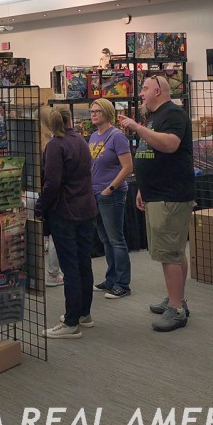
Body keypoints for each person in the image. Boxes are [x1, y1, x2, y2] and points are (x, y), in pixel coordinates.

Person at [117, 75, 195, 332]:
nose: (141, 93)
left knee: (169, 253)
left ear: (159, 91)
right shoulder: (156, 116)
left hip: (170, 195)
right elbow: (149, 152)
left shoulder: (174, 113)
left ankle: (176, 309)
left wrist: (137, 128)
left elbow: (170, 145)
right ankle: (176, 299)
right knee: (172, 251)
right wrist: (143, 188)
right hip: (157, 193)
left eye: (145, 88)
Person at [35, 107, 96, 338]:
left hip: (65, 213)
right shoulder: (81, 140)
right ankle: (83, 314)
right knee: (83, 264)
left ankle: (71, 322)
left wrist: (40, 207)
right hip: (86, 209)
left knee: (70, 267)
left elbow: (52, 183)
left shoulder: (55, 145)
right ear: (69, 119)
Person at [88, 98, 134, 299]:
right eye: (92, 111)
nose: (93, 114)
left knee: (116, 239)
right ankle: (111, 278)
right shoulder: (93, 136)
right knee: (106, 239)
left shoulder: (117, 137)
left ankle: (122, 284)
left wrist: (110, 188)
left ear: (107, 113)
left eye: (97, 111)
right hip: (96, 193)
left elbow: (128, 167)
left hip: (112, 194)